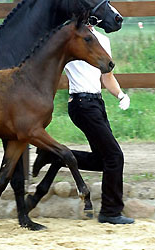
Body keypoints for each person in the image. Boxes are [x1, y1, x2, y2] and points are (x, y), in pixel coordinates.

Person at [33, 25, 134, 224]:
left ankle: (56, 155)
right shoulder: (71, 37)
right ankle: (110, 212)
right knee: (115, 156)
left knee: (103, 160)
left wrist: (121, 95)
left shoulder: (103, 40)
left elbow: (107, 76)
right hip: (81, 103)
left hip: (97, 103)